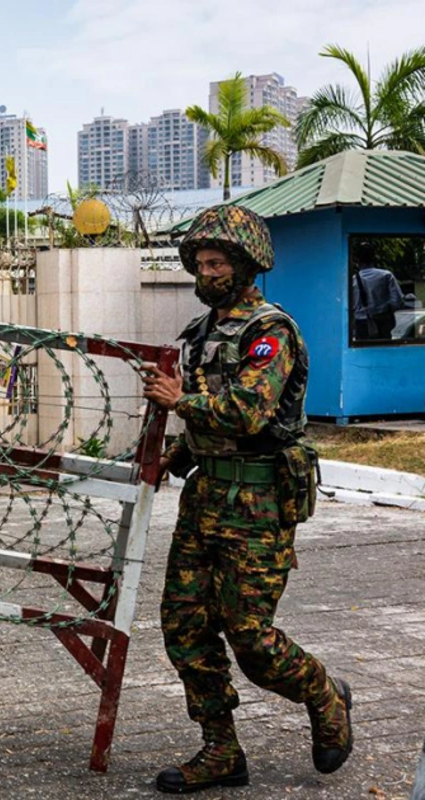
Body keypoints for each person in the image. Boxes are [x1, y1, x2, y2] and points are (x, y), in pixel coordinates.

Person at [142, 206, 352, 794]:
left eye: (218, 262)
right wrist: (173, 459)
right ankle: (220, 750)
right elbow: (206, 427)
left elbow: (250, 412)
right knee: (184, 626)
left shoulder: (270, 330)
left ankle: (323, 693)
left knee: (252, 637)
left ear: (245, 265)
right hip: (205, 497)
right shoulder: (199, 334)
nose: (207, 273)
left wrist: (179, 401)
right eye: (201, 263)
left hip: (256, 504)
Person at [351, 239, 405, 340]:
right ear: (374, 258)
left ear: (356, 260)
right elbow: (397, 301)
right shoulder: (386, 276)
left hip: (361, 324)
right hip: (382, 322)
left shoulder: (352, 280)